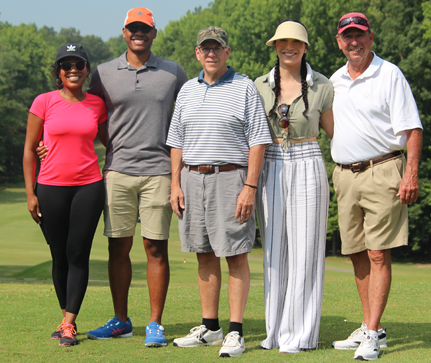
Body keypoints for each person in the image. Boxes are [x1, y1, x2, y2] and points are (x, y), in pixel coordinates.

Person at [36, 7, 188, 346]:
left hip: (159, 171)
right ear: (124, 33)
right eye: (133, 28)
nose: (139, 33)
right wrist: (48, 145)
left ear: (154, 33)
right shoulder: (103, 73)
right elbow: (84, 111)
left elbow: (185, 120)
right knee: (118, 247)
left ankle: (154, 324)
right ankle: (121, 320)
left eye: (145, 29)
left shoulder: (173, 72)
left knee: (155, 248)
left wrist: (181, 170)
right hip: (117, 171)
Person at [166, 26, 272, 357]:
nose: (211, 53)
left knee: (236, 254)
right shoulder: (186, 90)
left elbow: (258, 140)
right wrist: (174, 183)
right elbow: (176, 142)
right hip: (191, 178)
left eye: (217, 48)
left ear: (227, 52)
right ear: (197, 53)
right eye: (205, 48)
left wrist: (250, 187)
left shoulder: (244, 88)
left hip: (231, 179)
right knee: (203, 253)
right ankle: (211, 328)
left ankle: (236, 332)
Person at [330, 12, 423, 361]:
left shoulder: (389, 74)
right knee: (356, 252)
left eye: (359, 35)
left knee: (378, 253)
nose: (353, 42)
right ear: (339, 42)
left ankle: (371, 332)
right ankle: (373, 327)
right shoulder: (335, 79)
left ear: (371, 38)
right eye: (347, 36)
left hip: (383, 170)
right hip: (344, 174)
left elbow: (413, 128)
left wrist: (410, 172)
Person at [253, 20, 334, 353]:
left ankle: (299, 336)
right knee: (274, 251)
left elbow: (335, 134)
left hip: (308, 158)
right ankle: (274, 332)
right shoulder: (258, 85)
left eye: (296, 42)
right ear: (275, 46)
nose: (289, 47)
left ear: (305, 48)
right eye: (283, 42)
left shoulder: (322, 86)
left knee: (306, 251)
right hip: (269, 160)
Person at [23, 44, 107, 347]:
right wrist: (30, 193)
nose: (73, 70)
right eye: (66, 65)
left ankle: (69, 324)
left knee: (77, 254)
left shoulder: (97, 104)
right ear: (58, 72)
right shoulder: (43, 102)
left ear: (87, 69)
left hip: (89, 186)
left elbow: (111, 141)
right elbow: (30, 150)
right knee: (58, 256)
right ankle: (65, 319)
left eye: (79, 64)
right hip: (49, 187)